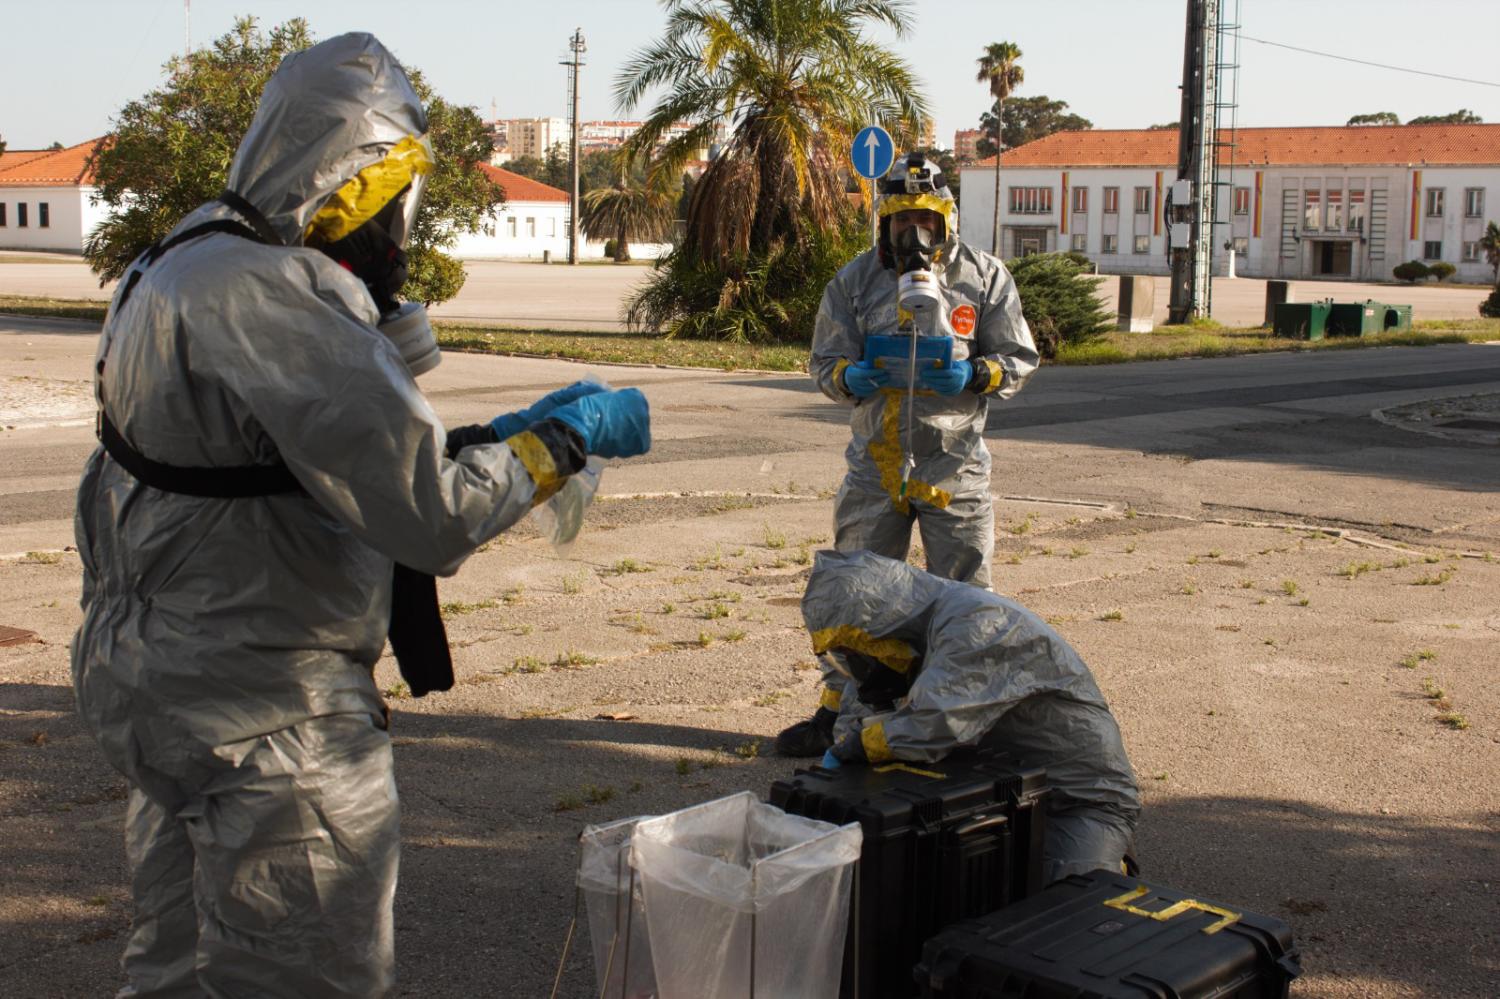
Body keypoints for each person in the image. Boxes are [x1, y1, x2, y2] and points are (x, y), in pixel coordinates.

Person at [70, 33, 650, 997]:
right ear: (351, 175)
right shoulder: (282, 295)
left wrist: (488, 429)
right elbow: (429, 515)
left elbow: (280, 461)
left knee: (171, 972)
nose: (396, 231)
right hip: (266, 718)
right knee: (307, 979)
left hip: (159, 690)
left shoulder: (179, 259)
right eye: (393, 198)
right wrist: (565, 440)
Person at [777, 152, 1040, 757]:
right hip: (876, 467)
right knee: (857, 592)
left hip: (955, 467)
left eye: (925, 219)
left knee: (969, 596)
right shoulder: (855, 280)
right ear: (884, 223)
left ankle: (968, 720)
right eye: (902, 221)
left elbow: (1019, 359)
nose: (914, 233)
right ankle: (838, 710)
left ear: (944, 220)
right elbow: (822, 362)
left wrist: (976, 373)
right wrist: (850, 376)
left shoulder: (985, 276)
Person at [801, 550, 1140, 883]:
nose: (854, 667)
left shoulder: (979, 625)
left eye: (852, 653)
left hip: (1074, 798)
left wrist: (863, 745)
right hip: (989, 786)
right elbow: (859, 714)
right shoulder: (899, 641)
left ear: (879, 627)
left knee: (1066, 908)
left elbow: (934, 723)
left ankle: (1112, 866)